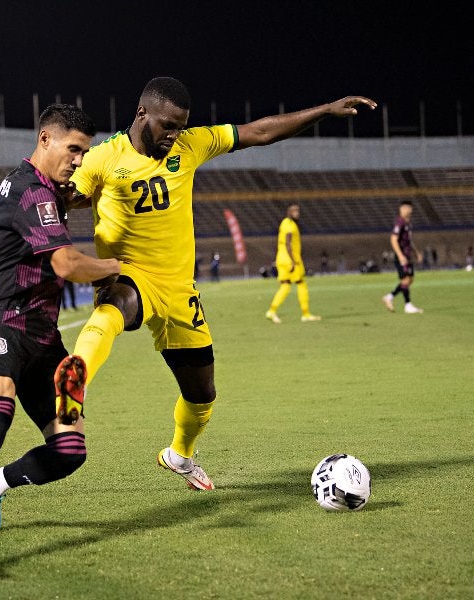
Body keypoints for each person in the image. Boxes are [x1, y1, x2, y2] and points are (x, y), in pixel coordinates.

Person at [46, 77, 375, 493]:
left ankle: (179, 455)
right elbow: (63, 197)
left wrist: (323, 109)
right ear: (142, 114)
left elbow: (259, 132)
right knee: (114, 306)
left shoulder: (190, 145)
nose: (174, 135)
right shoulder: (102, 159)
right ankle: (76, 382)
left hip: (181, 289)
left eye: (181, 126)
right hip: (131, 273)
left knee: (202, 397)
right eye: (167, 125)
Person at [0, 104, 120, 573]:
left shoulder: (46, 189)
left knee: (70, 451)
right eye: (73, 149)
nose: (79, 159)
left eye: (86, 151)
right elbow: (67, 265)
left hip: (44, 342)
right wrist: (120, 267)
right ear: (45, 139)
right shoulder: (31, 190)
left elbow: (74, 195)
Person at [265, 203, 320, 323]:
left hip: (281, 258)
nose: (297, 213)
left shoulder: (284, 222)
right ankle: (305, 313)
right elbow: (288, 243)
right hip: (291, 260)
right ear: (289, 212)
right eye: (294, 211)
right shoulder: (290, 225)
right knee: (301, 283)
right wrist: (293, 260)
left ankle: (271, 311)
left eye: (298, 211)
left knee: (285, 286)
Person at [382, 200, 423, 313]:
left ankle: (390, 297)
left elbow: (409, 240)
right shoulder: (399, 222)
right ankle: (407, 305)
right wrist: (400, 255)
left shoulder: (408, 223)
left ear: (411, 209)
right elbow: (393, 239)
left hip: (407, 255)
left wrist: (416, 252)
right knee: (406, 279)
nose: (405, 210)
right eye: (403, 208)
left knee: (410, 279)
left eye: (407, 208)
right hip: (402, 256)